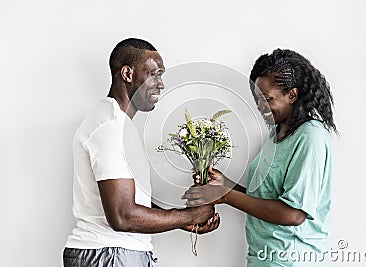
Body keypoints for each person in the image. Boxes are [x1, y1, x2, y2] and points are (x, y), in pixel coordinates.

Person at [63, 38, 220, 267]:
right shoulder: (110, 127)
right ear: (128, 74)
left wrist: (181, 221)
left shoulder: (120, 125)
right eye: (154, 74)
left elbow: (131, 202)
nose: (161, 84)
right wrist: (190, 216)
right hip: (109, 254)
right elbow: (123, 215)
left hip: (114, 254)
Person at [183, 49, 337, 266]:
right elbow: (265, 199)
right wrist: (225, 184)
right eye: (257, 99)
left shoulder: (310, 136)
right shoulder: (276, 135)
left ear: (292, 95)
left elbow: (294, 214)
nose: (259, 107)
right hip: (264, 258)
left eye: (266, 100)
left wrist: (225, 195)